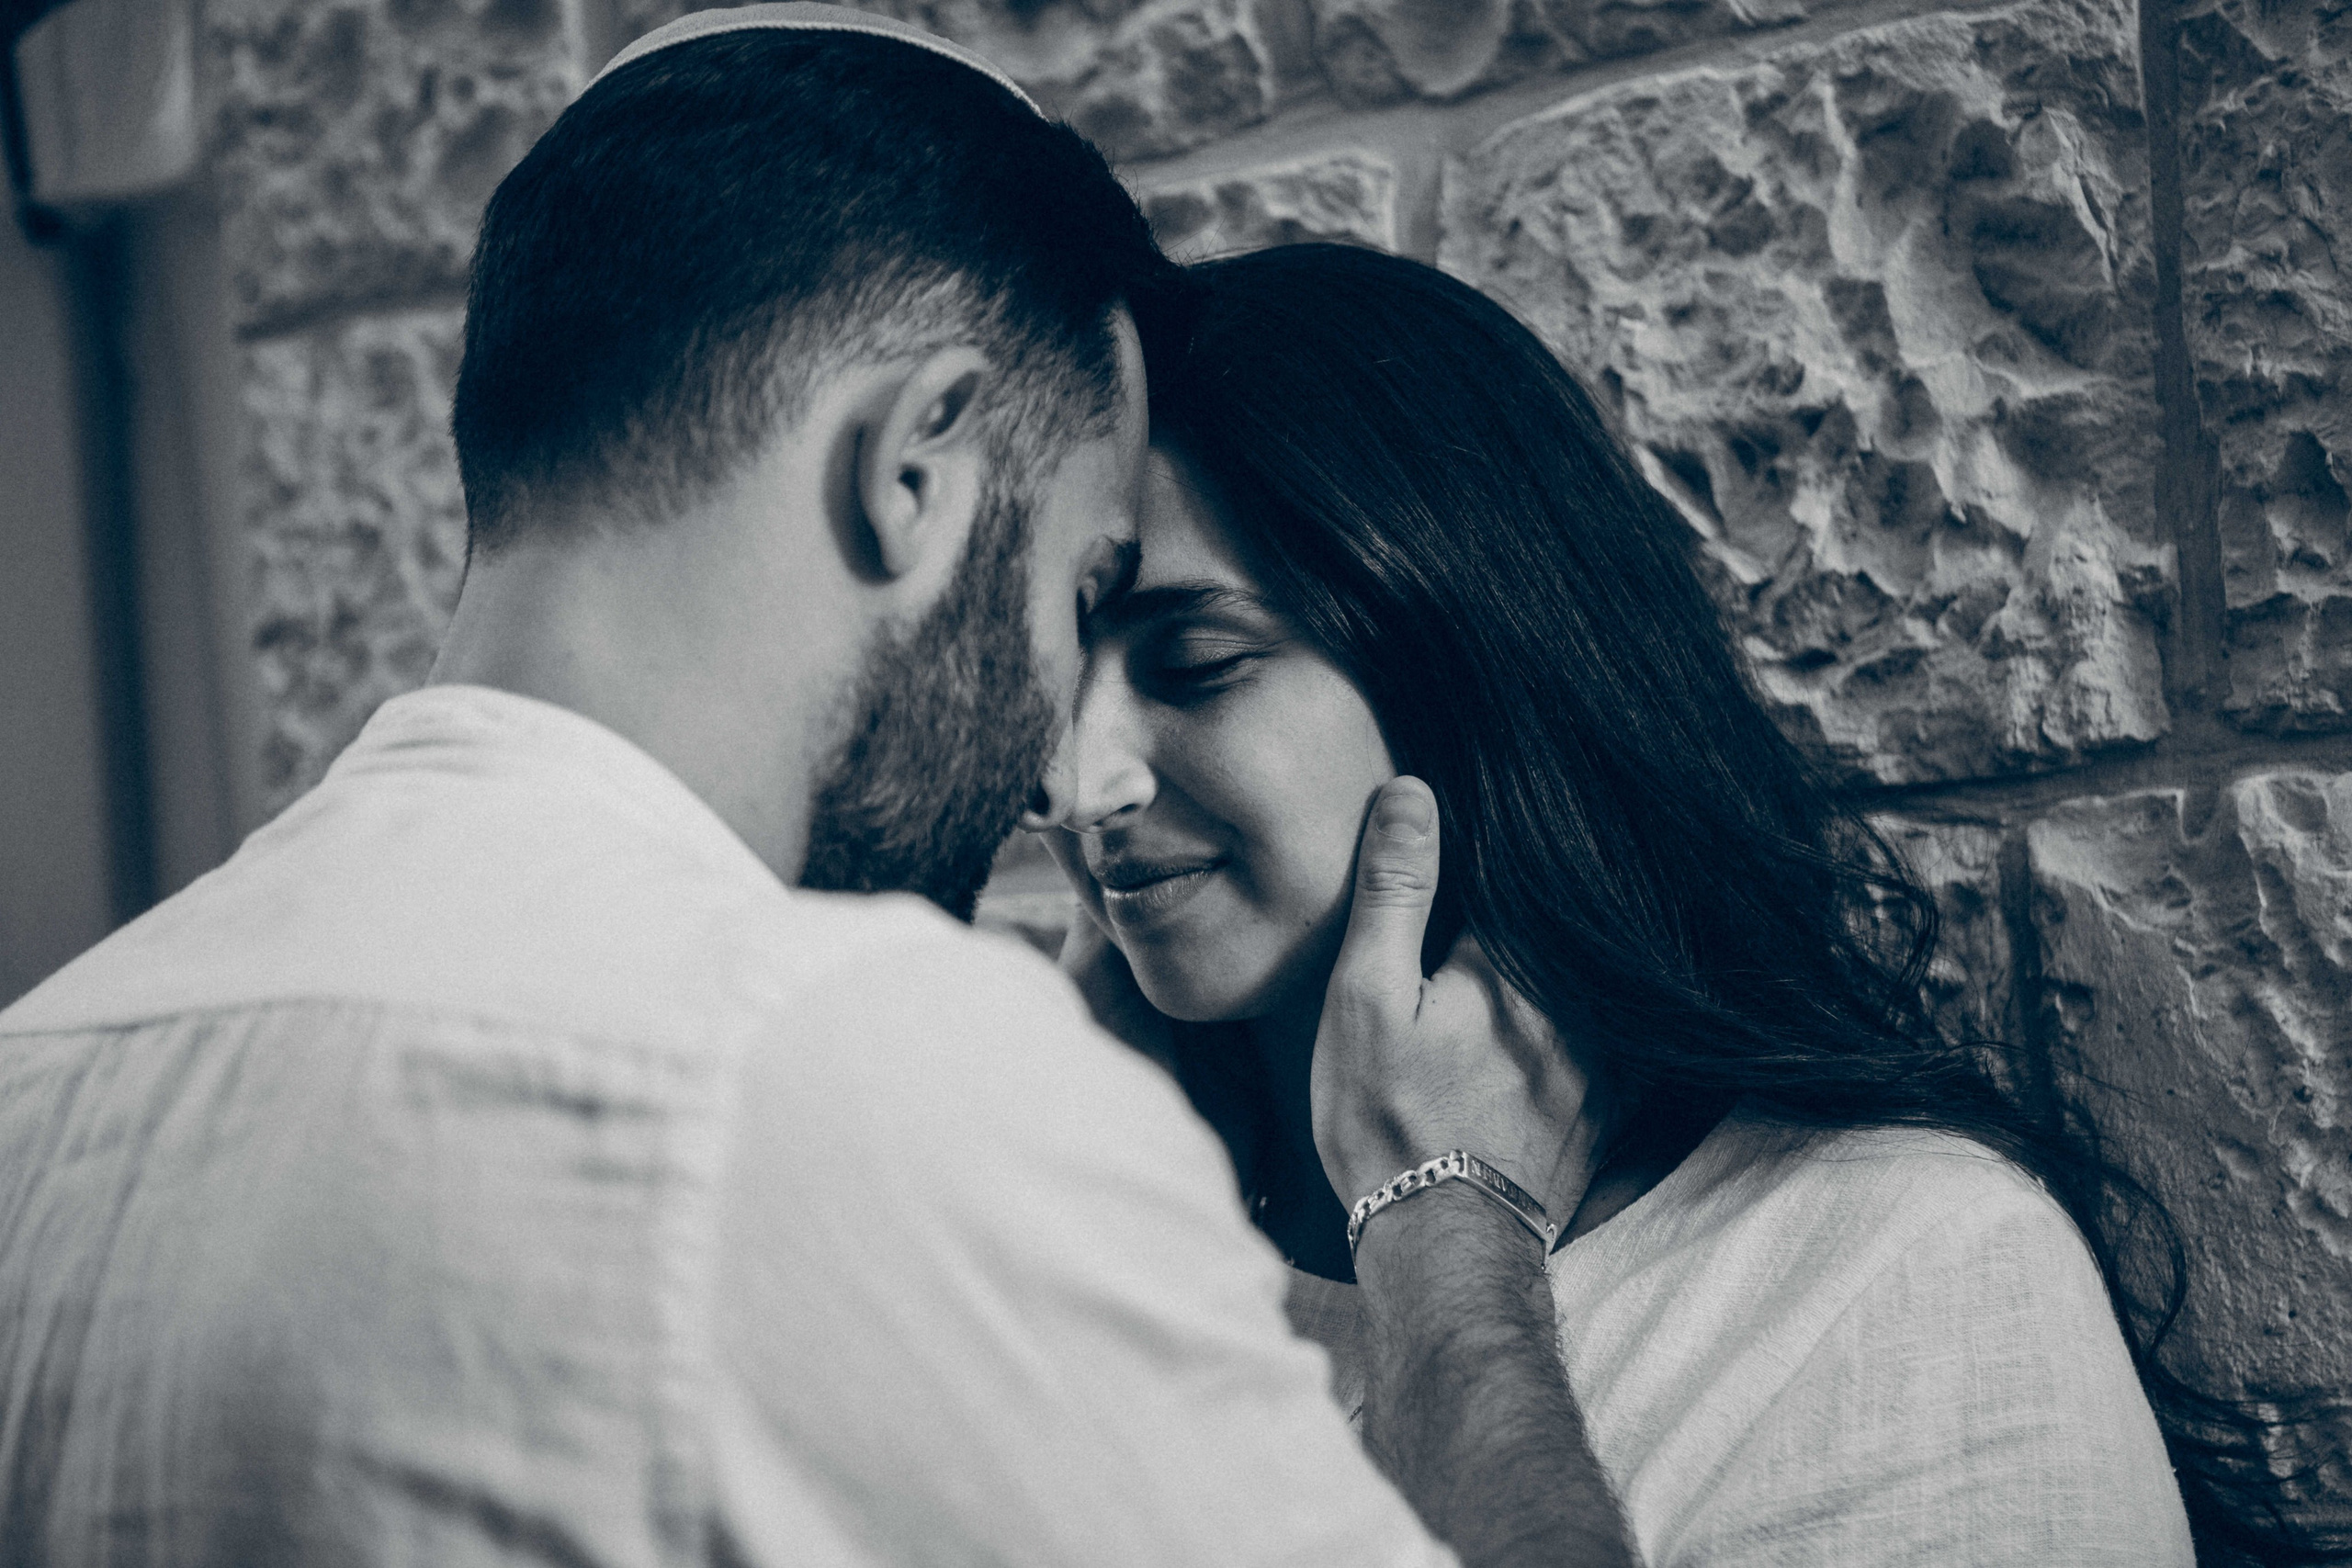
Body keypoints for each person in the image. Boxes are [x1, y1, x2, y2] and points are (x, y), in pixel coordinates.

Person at [0, 13, 1631, 1566]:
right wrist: (1456, 1231)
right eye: (1081, 596)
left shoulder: (43, 1078)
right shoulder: (849, 1064)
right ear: (913, 466)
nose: (1070, 770)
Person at [1046, 241, 2352, 1567]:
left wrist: (1454, 1260)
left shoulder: (1900, 1277)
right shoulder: (1068, 1237)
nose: (1069, 780)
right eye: (1043, 666)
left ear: (1471, 672)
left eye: (1197, 662)